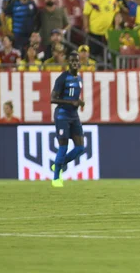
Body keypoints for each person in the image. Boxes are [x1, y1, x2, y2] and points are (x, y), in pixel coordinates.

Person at [50, 52, 86, 188]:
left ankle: (58, 164)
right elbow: (52, 99)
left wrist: (79, 102)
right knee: (63, 146)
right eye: (72, 61)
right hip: (62, 115)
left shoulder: (79, 79)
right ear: (68, 63)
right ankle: (56, 178)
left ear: (79, 63)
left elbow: (74, 98)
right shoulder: (62, 78)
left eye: (77, 61)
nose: (75, 63)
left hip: (74, 116)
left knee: (80, 147)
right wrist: (71, 103)